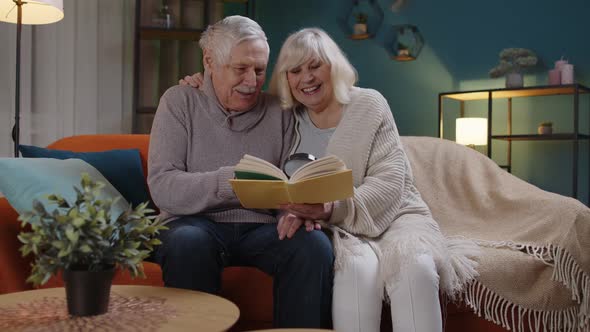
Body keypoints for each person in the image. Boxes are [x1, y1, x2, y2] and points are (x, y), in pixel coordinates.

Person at [182, 27, 479, 332]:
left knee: (415, 269)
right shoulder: (289, 119)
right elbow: (286, 186)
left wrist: (330, 208)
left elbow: (391, 182)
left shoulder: (369, 104)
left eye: (315, 66)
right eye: (295, 70)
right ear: (286, 79)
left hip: (393, 218)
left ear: (334, 66)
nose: (306, 78)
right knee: (354, 271)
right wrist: (202, 82)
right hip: (338, 230)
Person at [148, 17, 334, 329]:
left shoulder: (281, 110)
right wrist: (228, 182)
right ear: (210, 61)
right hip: (193, 224)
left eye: (260, 70)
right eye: (241, 69)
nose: (252, 81)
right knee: (187, 242)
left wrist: (293, 211)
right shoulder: (179, 101)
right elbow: (163, 186)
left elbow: (291, 182)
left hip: (262, 227)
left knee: (313, 246)